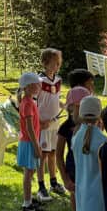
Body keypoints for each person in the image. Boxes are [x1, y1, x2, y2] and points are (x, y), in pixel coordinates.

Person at [73, 96, 107, 211]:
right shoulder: (102, 139)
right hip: (97, 192)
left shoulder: (76, 136)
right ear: (98, 115)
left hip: (81, 190)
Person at [58, 69, 97, 211]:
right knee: (75, 193)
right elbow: (58, 155)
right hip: (73, 167)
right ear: (73, 106)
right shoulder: (65, 127)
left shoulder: (93, 126)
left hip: (90, 169)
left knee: (89, 195)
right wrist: (65, 178)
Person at [36, 48, 65, 202]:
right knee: (43, 155)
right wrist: (39, 122)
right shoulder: (39, 82)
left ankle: (54, 182)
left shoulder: (58, 80)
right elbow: (32, 103)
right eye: (54, 63)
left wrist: (65, 105)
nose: (56, 66)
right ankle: (41, 186)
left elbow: (55, 100)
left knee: (53, 153)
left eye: (58, 63)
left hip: (55, 124)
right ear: (45, 63)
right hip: (43, 126)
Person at [16, 72, 43, 211]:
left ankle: (29, 199)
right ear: (28, 87)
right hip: (29, 143)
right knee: (28, 172)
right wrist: (36, 146)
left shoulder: (29, 101)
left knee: (31, 171)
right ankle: (26, 204)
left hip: (30, 141)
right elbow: (29, 128)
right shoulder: (27, 103)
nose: (39, 86)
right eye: (36, 84)